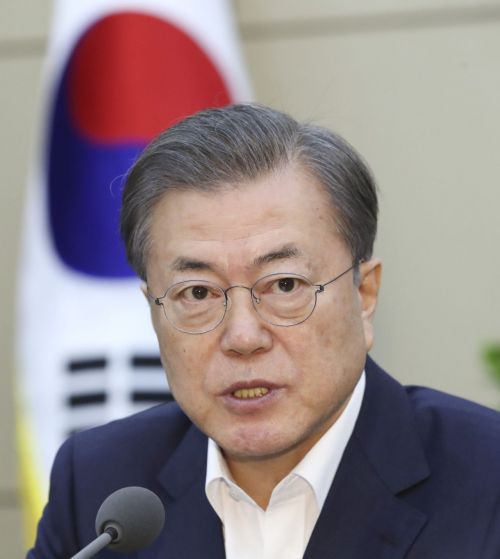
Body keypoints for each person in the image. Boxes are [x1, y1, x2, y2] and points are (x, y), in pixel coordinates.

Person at [29, 104, 500, 559]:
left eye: (284, 285)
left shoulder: (487, 477)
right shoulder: (100, 484)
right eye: (197, 293)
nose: (243, 337)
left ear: (365, 295)